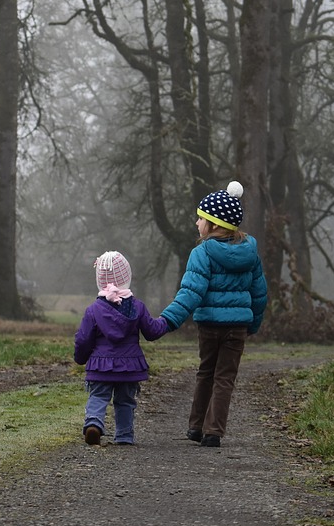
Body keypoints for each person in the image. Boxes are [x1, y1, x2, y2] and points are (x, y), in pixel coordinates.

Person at [159, 180, 267, 448]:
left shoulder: (202, 252)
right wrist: (252, 324)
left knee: (206, 372)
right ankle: (214, 432)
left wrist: (167, 320)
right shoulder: (250, 253)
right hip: (237, 327)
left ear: (215, 224)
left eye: (201, 218)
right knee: (225, 378)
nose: (197, 223)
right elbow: (259, 293)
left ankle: (196, 427)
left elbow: (190, 292)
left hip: (209, 325)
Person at [73, 250, 170, 446]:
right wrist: (167, 321)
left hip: (101, 365)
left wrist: (80, 358)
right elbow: (151, 331)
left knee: (98, 396)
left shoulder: (93, 310)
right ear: (127, 277)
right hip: (129, 366)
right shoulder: (137, 307)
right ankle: (124, 435)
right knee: (125, 401)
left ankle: (94, 423)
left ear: (99, 280)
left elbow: (83, 340)